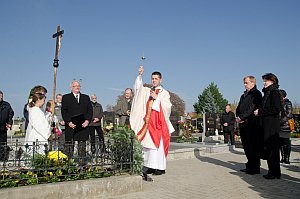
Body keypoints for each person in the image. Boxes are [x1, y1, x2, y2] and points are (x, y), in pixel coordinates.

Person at [130, 66, 175, 181]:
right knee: (149, 147)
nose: (154, 80)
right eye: (152, 78)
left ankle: (159, 168)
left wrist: (157, 99)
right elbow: (138, 89)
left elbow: (168, 107)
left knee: (157, 147)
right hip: (149, 124)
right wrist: (140, 75)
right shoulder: (148, 91)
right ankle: (150, 166)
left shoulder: (164, 93)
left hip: (159, 124)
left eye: (156, 78)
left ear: (161, 80)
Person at [254, 73, 282, 179]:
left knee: (272, 150)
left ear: (272, 81)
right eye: (264, 81)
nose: (264, 83)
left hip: (271, 126)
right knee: (269, 149)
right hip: (266, 125)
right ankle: (272, 171)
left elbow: (276, 108)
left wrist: (260, 112)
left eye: (266, 81)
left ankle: (274, 172)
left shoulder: (274, 92)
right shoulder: (267, 93)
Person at [236, 76, 262, 175]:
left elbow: (251, 108)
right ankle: (249, 165)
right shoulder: (243, 95)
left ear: (253, 83)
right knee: (246, 146)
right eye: (244, 82)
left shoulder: (256, 94)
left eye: (246, 83)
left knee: (253, 146)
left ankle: (255, 168)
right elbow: (238, 108)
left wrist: (242, 117)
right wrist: (238, 117)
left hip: (251, 123)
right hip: (242, 124)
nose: (244, 84)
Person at [61, 80, 93, 161]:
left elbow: (90, 110)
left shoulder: (86, 97)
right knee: (69, 145)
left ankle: (82, 164)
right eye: (75, 86)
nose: (77, 87)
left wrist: (87, 121)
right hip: (71, 125)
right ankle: (68, 164)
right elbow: (64, 111)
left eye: (78, 86)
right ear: (71, 88)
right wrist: (68, 122)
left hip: (83, 125)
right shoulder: (66, 97)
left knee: (82, 146)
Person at [25, 86, 51, 154]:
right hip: (38, 135)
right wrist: (48, 133)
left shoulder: (38, 109)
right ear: (38, 99)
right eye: (43, 100)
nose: (44, 103)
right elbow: (39, 125)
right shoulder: (34, 110)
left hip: (41, 136)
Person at [279, 89, 293, 165]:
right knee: (281, 143)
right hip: (279, 126)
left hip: (285, 126)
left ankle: (287, 158)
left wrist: (281, 121)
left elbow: (289, 114)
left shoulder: (288, 103)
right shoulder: (278, 103)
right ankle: (283, 157)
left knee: (286, 142)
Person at [0, 90, 14, 161]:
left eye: (2, 96)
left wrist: (9, 123)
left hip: (3, 129)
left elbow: (10, 114)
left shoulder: (6, 105)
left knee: (3, 145)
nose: (1, 98)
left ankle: (3, 159)